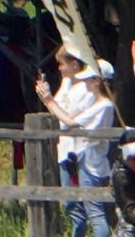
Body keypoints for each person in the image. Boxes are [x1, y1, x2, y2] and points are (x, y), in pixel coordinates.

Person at [36, 58, 115, 237]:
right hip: (89, 160)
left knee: (95, 213)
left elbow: (69, 122)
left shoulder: (103, 106)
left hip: (91, 162)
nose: (86, 82)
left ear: (98, 81)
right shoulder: (101, 104)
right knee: (93, 210)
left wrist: (48, 101)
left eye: (89, 79)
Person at [38, 45, 94, 186]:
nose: (59, 68)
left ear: (74, 65)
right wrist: (46, 98)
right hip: (65, 148)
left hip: (79, 152)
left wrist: (49, 101)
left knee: (78, 200)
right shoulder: (67, 83)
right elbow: (56, 111)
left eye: (62, 64)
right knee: (70, 202)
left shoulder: (86, 89)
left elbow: (67, 119)